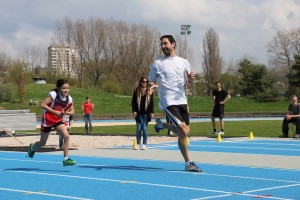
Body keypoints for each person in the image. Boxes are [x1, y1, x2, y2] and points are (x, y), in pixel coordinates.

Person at [148, 34, 201, 172]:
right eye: (161, 44)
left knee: (185, 132)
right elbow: (150, 79)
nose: (163, 46)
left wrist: (190, 79)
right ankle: (188, 162)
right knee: (183, 130)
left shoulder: (184, 62)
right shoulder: (158, 63)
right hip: (168, 100)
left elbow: (187, 83)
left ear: (173, 44)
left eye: (165, 43)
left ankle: (162, 124)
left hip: (182, 99)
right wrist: (153, 86)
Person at [28, 79, 76, 166]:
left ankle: (66, 159)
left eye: (68, 88)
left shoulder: (69, 98)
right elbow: (43, 105)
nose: (66, 90)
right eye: (63, 88)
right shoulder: (54, 95)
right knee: (43, 142)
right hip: (48, 118)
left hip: (58, 119)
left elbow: (72, 112)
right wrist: (56, 112)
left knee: (66, 136)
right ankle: (32, 147)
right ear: (58, 88)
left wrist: (64, 112)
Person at [131, 77, 154, 150]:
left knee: (144, 128)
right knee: (138, 128)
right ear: (140, 82)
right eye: (143, 82)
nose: (145, 83)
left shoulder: (149, 91)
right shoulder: (136, 91)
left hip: (146, 113)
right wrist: (134, 111)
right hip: (138, 113)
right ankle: (138, 144)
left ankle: (144, 144)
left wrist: (152, 112)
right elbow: (133, 102)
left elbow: (151, 102)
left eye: (146, 82)